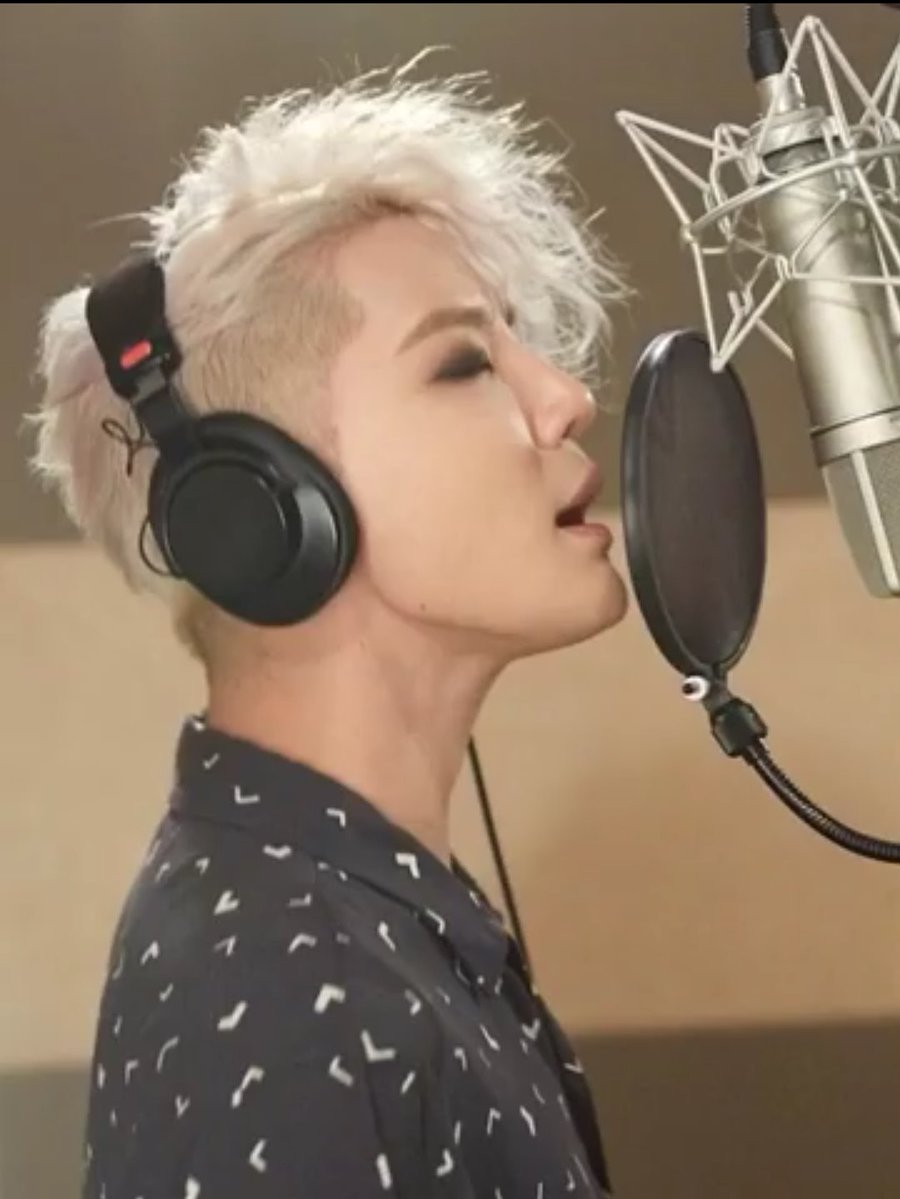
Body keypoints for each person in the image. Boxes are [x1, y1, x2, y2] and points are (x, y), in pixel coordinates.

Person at [28, 57, 630, 1198]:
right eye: (465, 361)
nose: (565, 399)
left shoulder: (344, 919)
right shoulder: (299, 1001)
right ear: (260, 510)